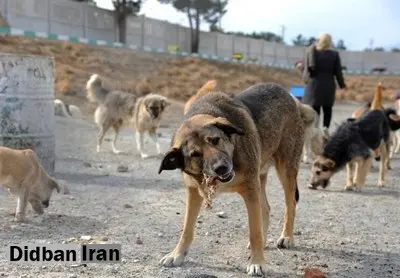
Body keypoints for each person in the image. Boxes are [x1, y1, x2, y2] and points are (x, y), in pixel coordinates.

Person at [302, 33, 347, 134]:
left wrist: (299, 66)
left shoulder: (311, 52)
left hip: (314, 85)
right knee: (327, 109)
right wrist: (342, 84)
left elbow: (306, 68)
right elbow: (338, 72)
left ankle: (315, 131)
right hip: (328, 86)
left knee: (315, 109)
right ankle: (325, 130)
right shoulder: (334, 54)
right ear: (330, 42)